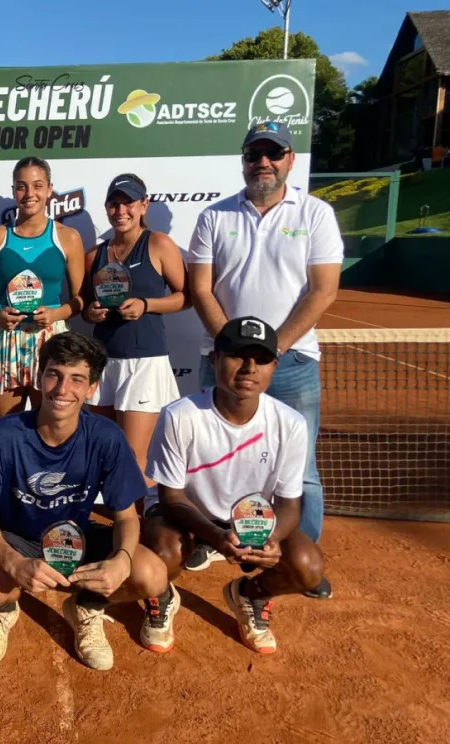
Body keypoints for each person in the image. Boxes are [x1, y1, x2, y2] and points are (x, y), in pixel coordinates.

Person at [187, 122, 342, 598]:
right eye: (255, 154)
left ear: (290, 160)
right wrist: (232, 350)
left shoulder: (316, 214)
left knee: (302, 472)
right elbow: (200, 289)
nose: (264, 162)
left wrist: (273, 350)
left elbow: (323, 290)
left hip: (293, 363)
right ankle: (209, 538)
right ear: (244, 161)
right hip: (224, 362)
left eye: (274, 153)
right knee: (208, 458)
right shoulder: (214, 216)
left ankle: (297, 559)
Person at [0, 332, 168, 671]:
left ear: (92, 388)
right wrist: (14, 563)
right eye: (54, 375)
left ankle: (87, 606)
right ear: (39, 377)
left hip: (76, 538)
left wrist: (121, 560)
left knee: (151, 574)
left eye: (77, 379)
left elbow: (126, 517)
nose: (62, 389)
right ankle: (2, 612)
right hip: (17, 538)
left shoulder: (106, 436)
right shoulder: (3, 434)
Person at [139, 317, 324, 655]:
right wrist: (216, 536)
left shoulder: (291, 424)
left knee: (308, 567)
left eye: (262, 359)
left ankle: (250, 594)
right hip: (184, 513)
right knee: (164, 553)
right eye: (237, 355)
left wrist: (271, 540)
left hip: (249, 519)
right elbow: (171, 496)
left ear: (274, 366)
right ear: (214, 359)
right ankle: (161, 596)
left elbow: (289, 504)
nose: (249, 368)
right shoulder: (180, 415)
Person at [83, 174, 189, 485]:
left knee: (134, 457)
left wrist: (146, 304)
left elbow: (187, 297)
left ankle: (140, 515)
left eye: (128, 203)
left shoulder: (158, 244)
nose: (121, 211)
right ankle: (110, 512)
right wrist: (91, 313)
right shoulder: (95, 255)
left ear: (144, 205)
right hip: (102, 363)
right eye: (114, 204)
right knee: (100, 452)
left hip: (144, 362)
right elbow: (86, 308)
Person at [0, 156, 85, 418]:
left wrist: (56, 314)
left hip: (50, 341)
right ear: (13, 190)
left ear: (49, 189)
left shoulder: (68, 237)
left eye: (37, 186)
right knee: (6, 428)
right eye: (21, 186)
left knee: (49, 427)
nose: (29, 194)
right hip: (5, 341)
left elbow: (80, 299)